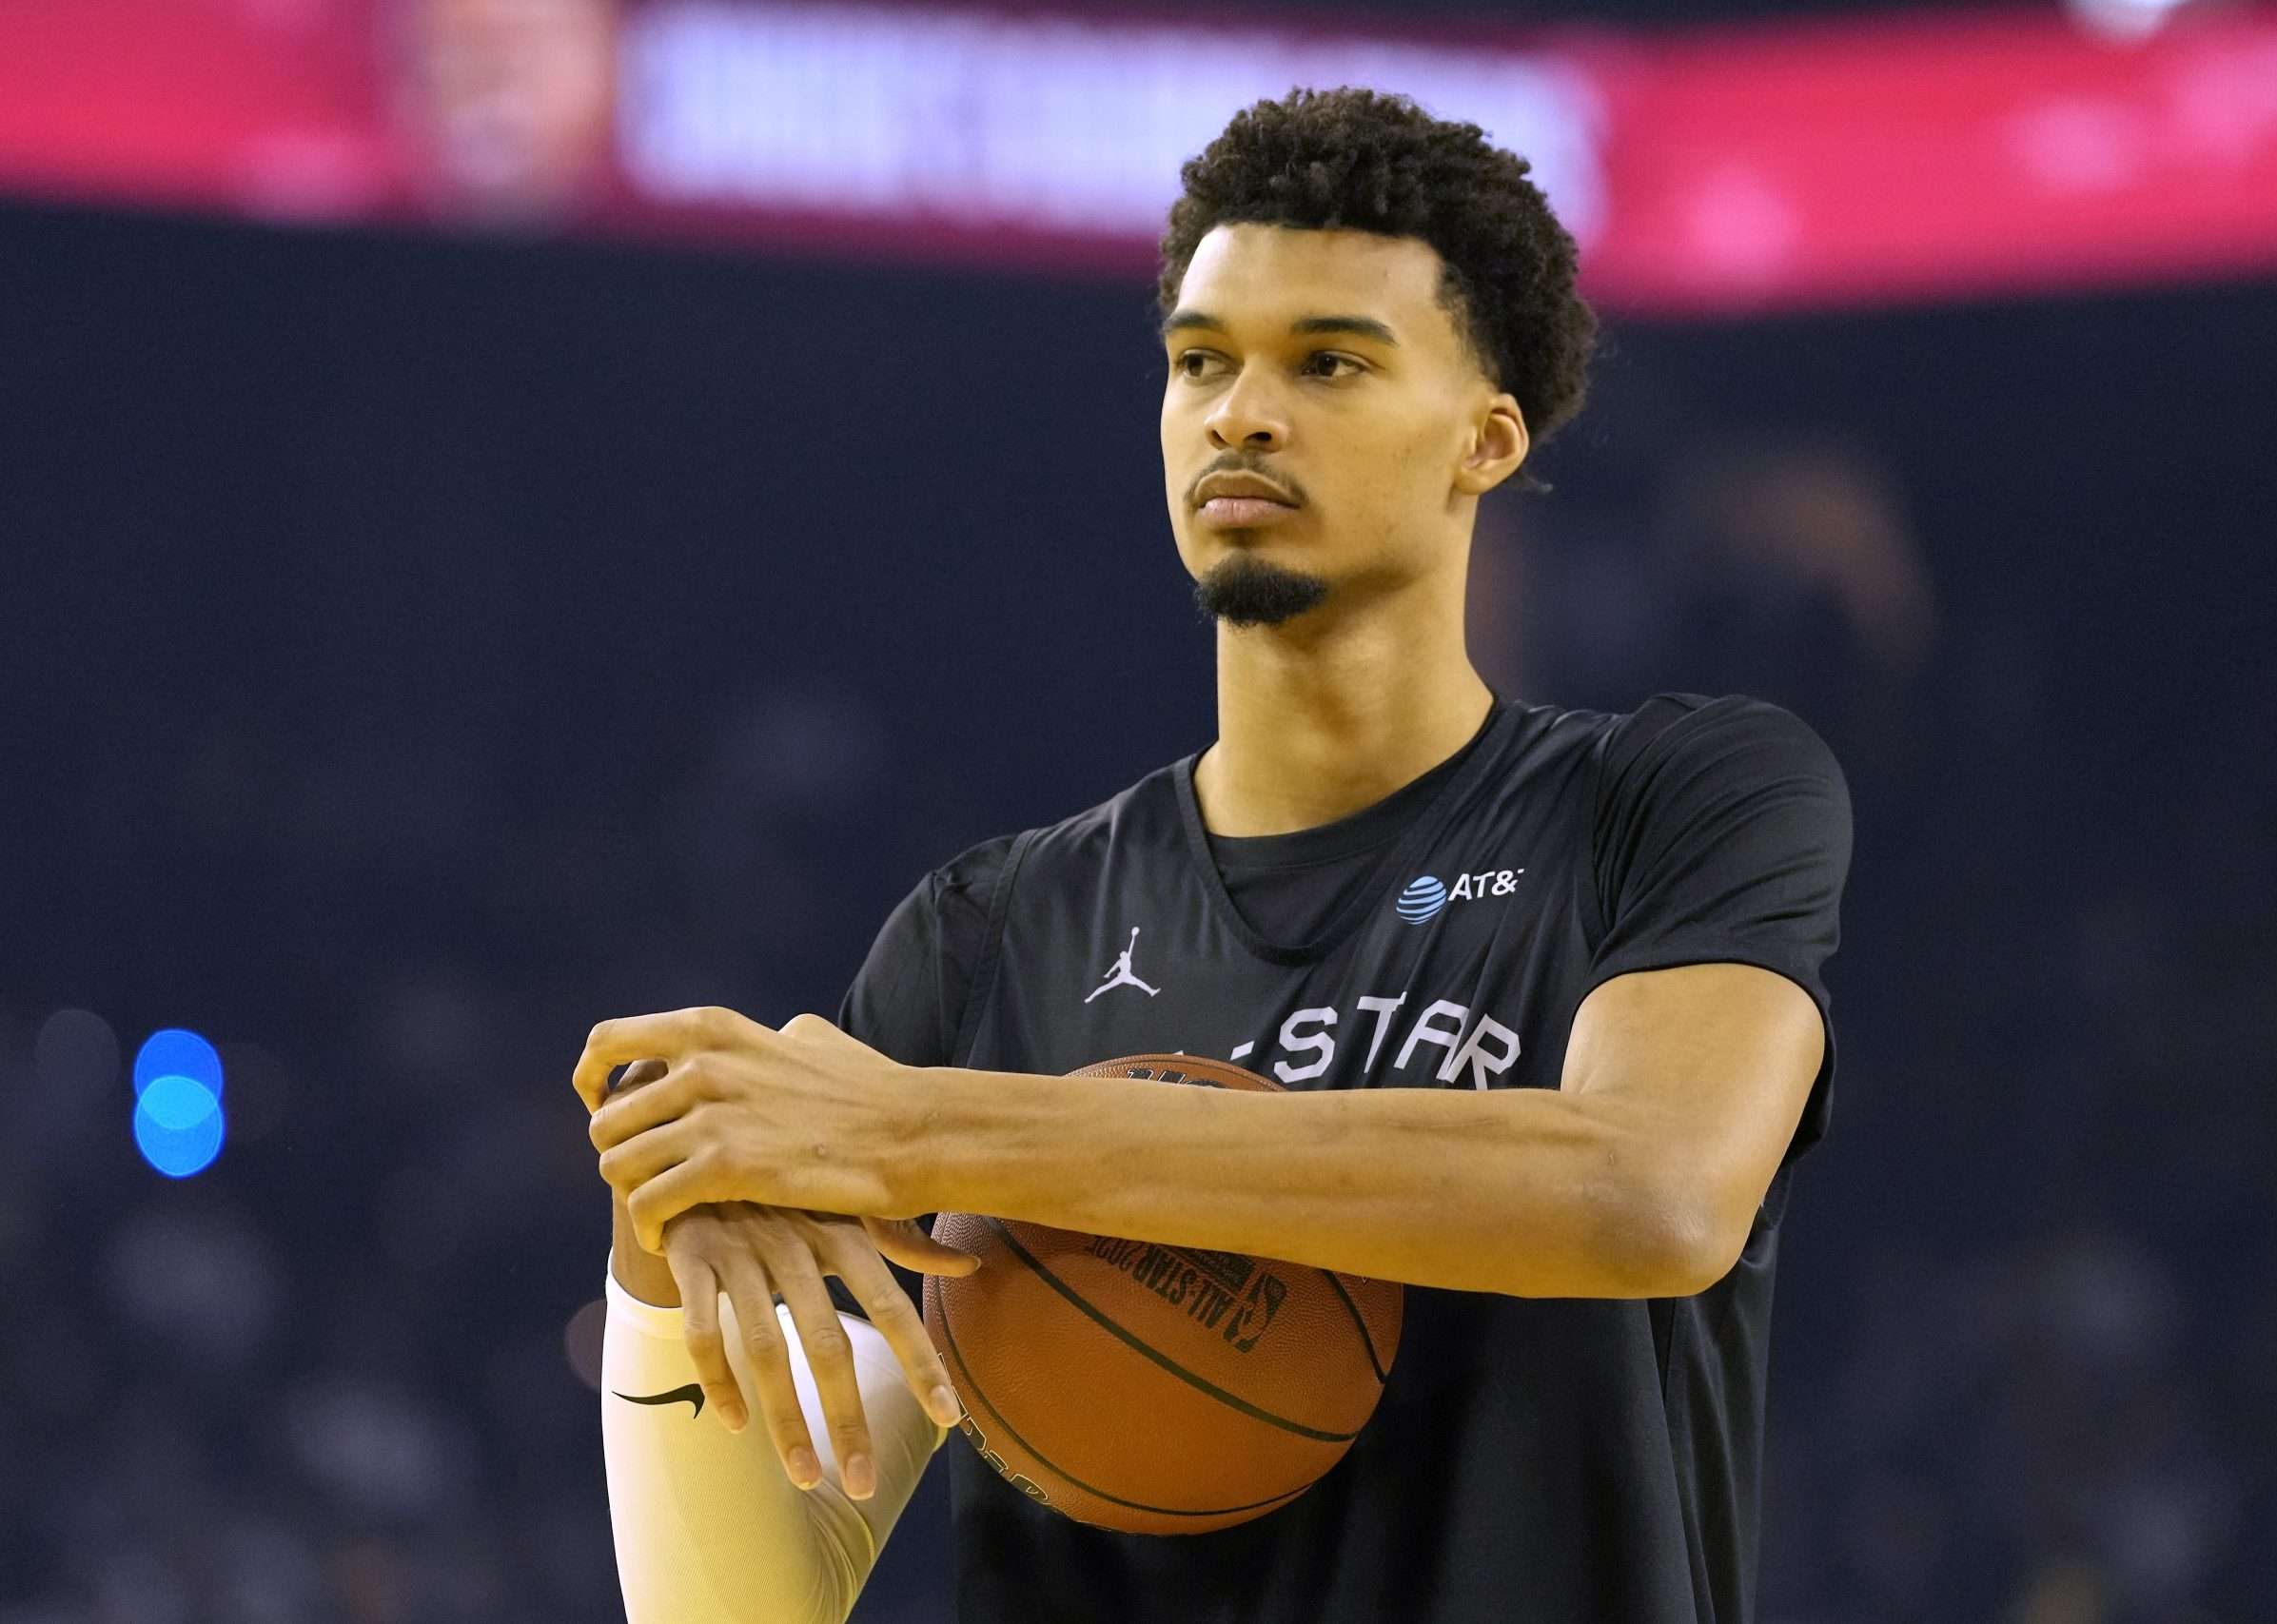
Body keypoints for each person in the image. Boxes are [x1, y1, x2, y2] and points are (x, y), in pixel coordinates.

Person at [584, 87, 1850, 1624]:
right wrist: (662, 1240)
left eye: (1328, 362)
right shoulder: (994, 931)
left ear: (1487, 437)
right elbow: (743, 1610)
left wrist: (923, 1130)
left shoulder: (1676, 796)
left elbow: (1650, 1192)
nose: (1241, 413)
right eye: (1201, 361)